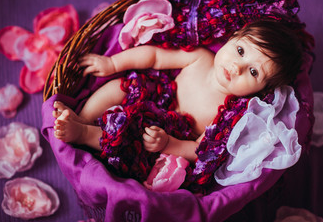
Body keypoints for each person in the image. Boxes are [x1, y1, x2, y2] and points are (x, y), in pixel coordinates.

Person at [52, 20, 303, 165]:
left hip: (164, 134)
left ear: (263, 91)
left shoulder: (232, 113)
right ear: (232, 37)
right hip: (156, 95)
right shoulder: (201, 57)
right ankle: (82, 117)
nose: (237, 67)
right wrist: (112, 64)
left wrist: (169, 144)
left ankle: (84, 134)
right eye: (240, 51)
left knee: (131, 140)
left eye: (253, 72)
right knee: (120, 86)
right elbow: (154, 56)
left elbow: (199, 149)